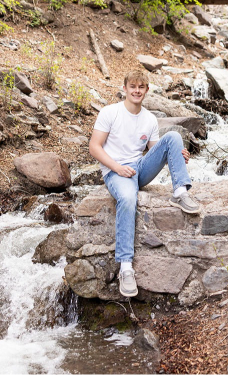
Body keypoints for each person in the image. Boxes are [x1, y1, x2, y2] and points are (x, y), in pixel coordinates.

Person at [89, 70, 201, 298]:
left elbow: (155, 151)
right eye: (133, 86)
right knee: (128, 199)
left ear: (147, 90)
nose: (137, 91)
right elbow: (94, 147)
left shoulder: (149, 119)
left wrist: (178, 156)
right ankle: (126, 268)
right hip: (117, 173)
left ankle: (180, 192)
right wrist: (117, 168)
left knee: (173, 138)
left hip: (139, 169)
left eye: (141, 87)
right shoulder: (110, 112)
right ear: (125, 88)